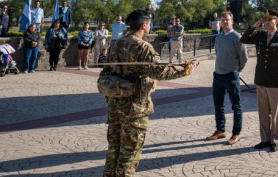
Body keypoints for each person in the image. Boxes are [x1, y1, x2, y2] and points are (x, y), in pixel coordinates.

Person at [99, 9, 196, 177]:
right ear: (144, 25)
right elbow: (159, 72)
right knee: (129, 154)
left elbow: (105, 73)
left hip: (114, 106)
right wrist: (185, 70)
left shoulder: (116, 45)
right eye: (149, 24)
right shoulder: (143, 47)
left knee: (114, 150)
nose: (150, 26)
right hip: (134, 109)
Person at [241, 9, 278, 152]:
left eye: (270, 19)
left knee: (275, 113)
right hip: (261, 79)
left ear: (276, 21)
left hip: (276, 81)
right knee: (263, 112)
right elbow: (243, 39)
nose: (267, 22)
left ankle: (275, 140)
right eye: (265, 20)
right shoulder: (260, 35)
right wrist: (254, 25)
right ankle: (264, 139)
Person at [206, 11, 248, 145]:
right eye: (222, 20)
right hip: (218, 75)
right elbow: (218, 54)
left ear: (232, 21)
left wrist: (236, 70)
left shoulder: (237, 37)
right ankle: (220, 130)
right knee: (218, 105)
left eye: (227, 19)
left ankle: (236, 133)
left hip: (231, 75)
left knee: (236, 106)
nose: (224, 22)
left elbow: (244, 57)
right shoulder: (218, 37)